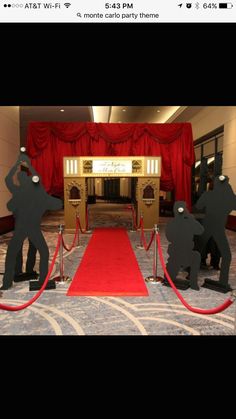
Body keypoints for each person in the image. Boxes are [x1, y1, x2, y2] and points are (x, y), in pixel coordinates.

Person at [1, 151, 63, 290]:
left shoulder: (18, 191)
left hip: (21, 227)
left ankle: (7, 282)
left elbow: (7, 180)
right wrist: (28, 166)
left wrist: (17, 165)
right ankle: (42, 281)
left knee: (12, 252)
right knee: (44, 252)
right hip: (33, 228)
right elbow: (37, 178)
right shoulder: (38, 192)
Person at [195, 175, 236, 290]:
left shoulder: (208, 195)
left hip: (207, 225)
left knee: (197, 250)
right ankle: (223, 281)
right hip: (218, 228)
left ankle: (191, 275)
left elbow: (198, 206)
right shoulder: (229, 198)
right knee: (227, 255)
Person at [164, 201, 204, 290]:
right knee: (170, 275)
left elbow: (200, 230)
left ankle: (193, 282)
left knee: (196, 256)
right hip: (178, 253)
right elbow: (200, 230)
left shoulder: (172, 223)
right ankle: (192, 282)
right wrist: (190, 218)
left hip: (182, 252)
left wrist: (190, 219)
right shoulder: (186, 222)